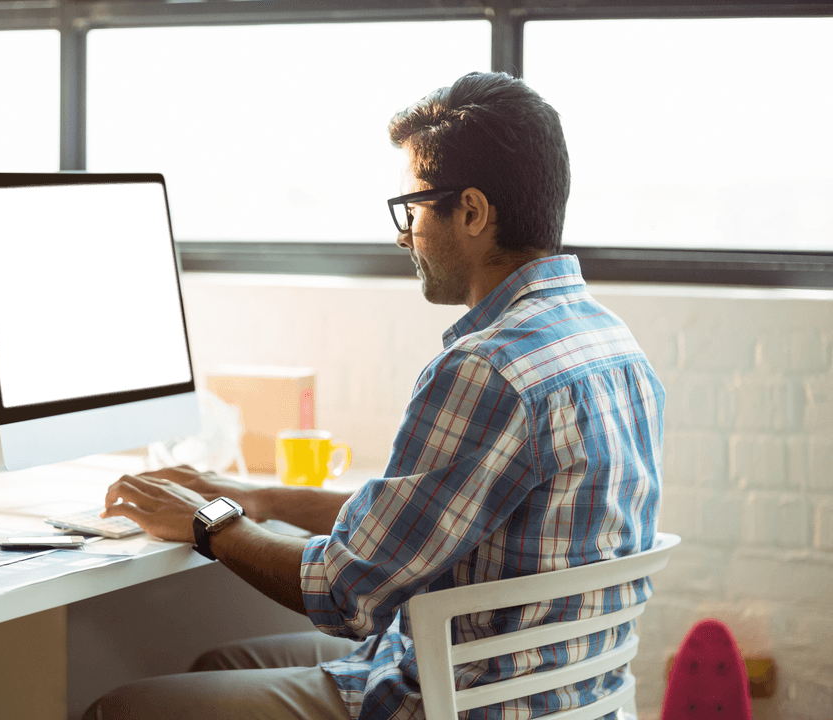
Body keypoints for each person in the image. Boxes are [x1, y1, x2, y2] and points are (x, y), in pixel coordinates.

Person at [83, 70, 664, 720]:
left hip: (453, 703)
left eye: (411, 210)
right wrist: (261, 497)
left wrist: (209, 523)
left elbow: (344, 595)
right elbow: (419, 519)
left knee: (119, 710)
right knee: (218, 667)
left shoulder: (487, 368)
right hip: (561, 698)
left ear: (471, 211)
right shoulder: (610, 344)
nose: (402, 236)